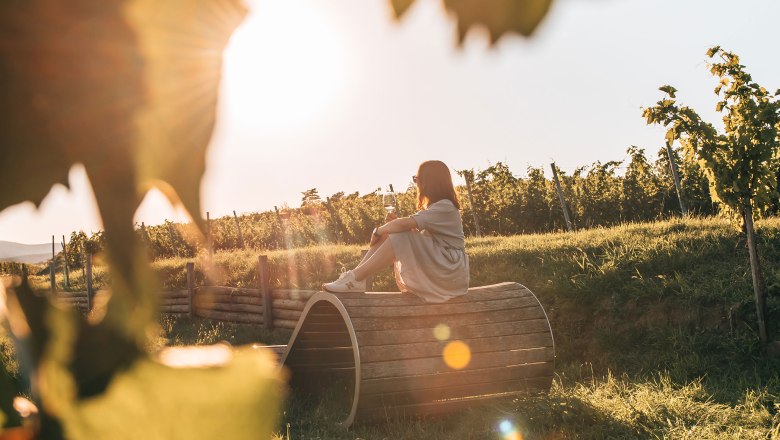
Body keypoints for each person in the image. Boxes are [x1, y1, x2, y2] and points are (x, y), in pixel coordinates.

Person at [323, 160, 469, 303]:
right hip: (445, 268)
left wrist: (378, 231)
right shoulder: (439, 207)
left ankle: (355, 278)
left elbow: (405, 225)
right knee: (394, 232)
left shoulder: (445, 206)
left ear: (429, 182)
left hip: (451, 272)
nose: (416, 183)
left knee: (399, 234)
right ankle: (354, 278)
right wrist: (389, 228)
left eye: (417, 179)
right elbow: (411, 230)